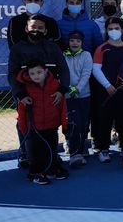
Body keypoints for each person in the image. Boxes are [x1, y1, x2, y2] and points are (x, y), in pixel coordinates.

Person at [8, 15, 70, 167]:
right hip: (27, 98)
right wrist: (20, 94)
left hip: (50, 96)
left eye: (40, 28)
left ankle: (52, 156)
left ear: (46, 30)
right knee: (26, 126)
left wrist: (61, 90)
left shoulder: (53, 47)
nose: (36, 30)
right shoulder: (18, 48)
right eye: (33, 27)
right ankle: (27, 156)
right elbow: (11, 74)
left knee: (51, 127)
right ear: (26, 28)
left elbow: (63, 70)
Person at [91, 17, 123, 163]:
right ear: (106, 30)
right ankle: (103, 149)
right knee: (104, 121)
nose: (113, 31)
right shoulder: (102, 48)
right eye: (110, 28)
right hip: (106, 92)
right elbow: (96, 69)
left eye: (116, 28)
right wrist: (107, 85)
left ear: (122, 30)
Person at [16, 61, 69, 185]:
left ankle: (52, 169)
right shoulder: (26, 89)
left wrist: (64, 125)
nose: (36, 76)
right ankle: (35, 174)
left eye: (39, 72)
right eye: (32, 73)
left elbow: (62, 106)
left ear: (46, 71)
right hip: (34, 128)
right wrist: (24, 129)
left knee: (51, 149)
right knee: (36, 152)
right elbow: (21, 111)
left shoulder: (55, 85)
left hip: (52, 125)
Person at [63, 31, 92, 167]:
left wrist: (78, 88)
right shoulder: (63, 56)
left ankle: (81, 148)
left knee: (83, 123)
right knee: (72, 123)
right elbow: (62, 74)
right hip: (68, 96)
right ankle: (74, 151)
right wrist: (69, 89)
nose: (75, 43)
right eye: (72, 40)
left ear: (82, 43)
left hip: (84, 95)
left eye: (78, 41)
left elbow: (86, 73)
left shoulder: (86, 55)